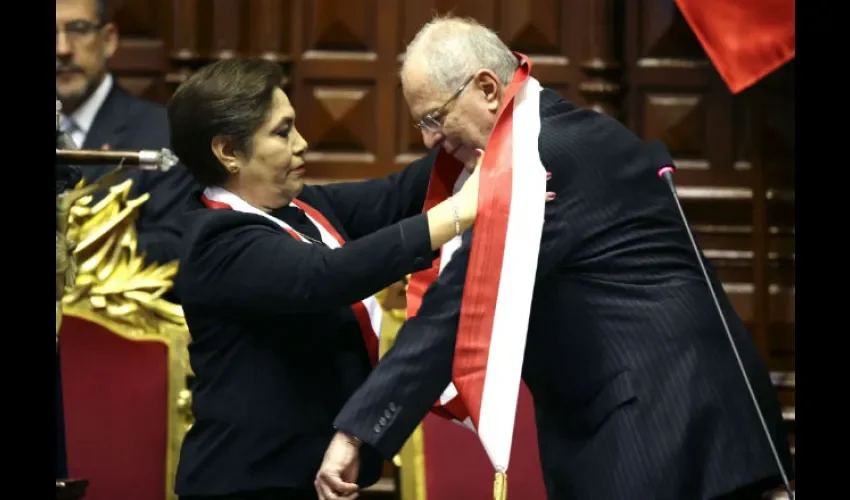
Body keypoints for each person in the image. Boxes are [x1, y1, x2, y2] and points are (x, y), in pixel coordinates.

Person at [317, 16, 794, 500]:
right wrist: (271, 200)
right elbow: (386, 198)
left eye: (434, 119)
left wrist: (355, 433)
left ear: (486, 88)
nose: (428, 138)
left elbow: (458, 308)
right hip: (677, 427)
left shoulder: (542, 161)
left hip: (663, 431)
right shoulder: (527, 142)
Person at [168, 57, 537, 500]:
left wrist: (476, 128)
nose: (303, 143)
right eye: (282, 132)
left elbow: (401, 194)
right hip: (245, 483)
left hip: (312, 482)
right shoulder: (215, 239)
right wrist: (463, 210)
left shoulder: (298, 208)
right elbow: (324, 277)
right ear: (228, 151)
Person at [56, 0, 196, 265]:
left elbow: (172, 244)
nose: (62, 49)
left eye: (78, 29)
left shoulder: (165, 134)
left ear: (108, 40)